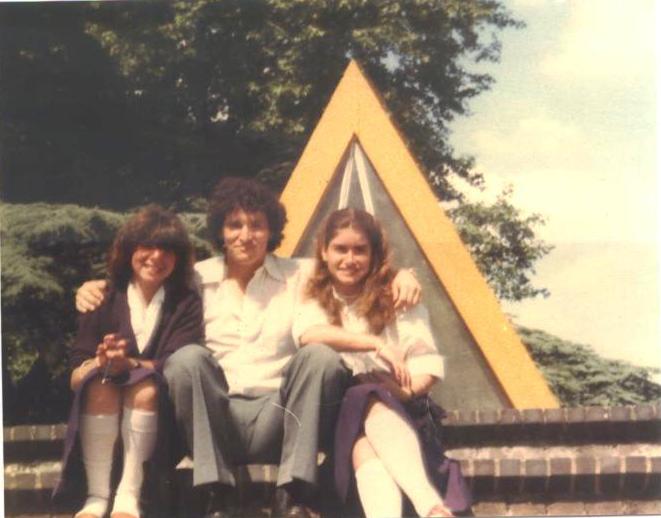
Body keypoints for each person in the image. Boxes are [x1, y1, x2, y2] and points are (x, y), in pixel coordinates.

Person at [75, 177, 421, 518]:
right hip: (213, 416)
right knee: (186, 358)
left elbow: (351, 265)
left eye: (257, 225)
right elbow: (143, 281)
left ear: (271, 231)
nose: (246, 235)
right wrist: (95, 287)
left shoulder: (300, 273)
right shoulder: (195, 277)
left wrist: (401, 275)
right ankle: (217, 492)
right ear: (221, 231)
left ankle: (294, 493)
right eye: (235, 225)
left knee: (319, 357)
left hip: (281, 414)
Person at [292, 208, 471, 518]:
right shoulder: (312, 293)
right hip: (339, 420)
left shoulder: (398, 294)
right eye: (340, 249)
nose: (350, 259)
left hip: (400, 413)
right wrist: (376, 344)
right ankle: (431, 507)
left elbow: (427, 363)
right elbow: (309, 333)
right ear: (324, 251)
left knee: (366, 425)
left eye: (360, 250)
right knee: (362, 394)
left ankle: (428, 507)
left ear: (374, 254)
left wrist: (404, 391)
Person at [56, 205, 204, 518]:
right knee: (100, 385)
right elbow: (75, 376)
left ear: (178, 258)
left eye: (167, 249)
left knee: (145, 388)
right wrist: (99, 363)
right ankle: (96, 496)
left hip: (160, 420)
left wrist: (131, 365)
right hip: (101, 409)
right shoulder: (102, 297)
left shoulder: (185, 303)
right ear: (128, 251)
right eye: (147, 246)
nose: (156, 256)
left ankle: (129, 496)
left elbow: (175, 363)